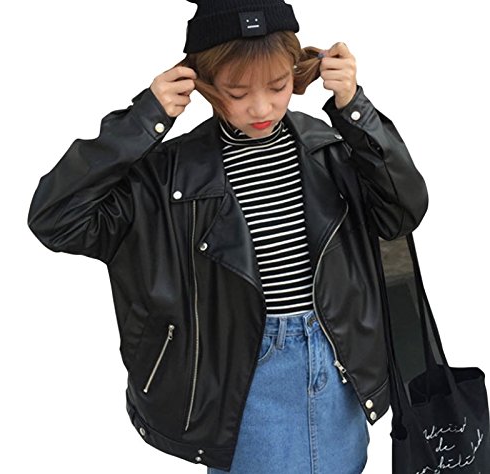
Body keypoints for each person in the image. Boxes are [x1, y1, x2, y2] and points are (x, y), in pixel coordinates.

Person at [27, 0, 429, 472]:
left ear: (295, 73)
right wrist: (143, 120)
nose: (261, 107)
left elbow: (402, 211)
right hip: (243, 376)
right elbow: (57, 218)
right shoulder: (171, 175)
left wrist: (354, 109)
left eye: (277, 87)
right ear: (204, 84)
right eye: (237, 92)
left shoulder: (327, 148)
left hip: (339, 364)